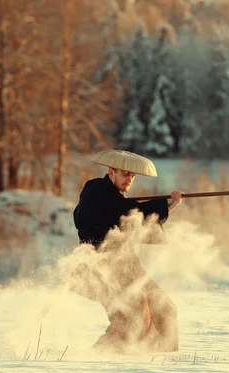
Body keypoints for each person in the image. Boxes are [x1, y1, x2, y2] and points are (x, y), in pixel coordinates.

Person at [71, 149, 184, 354]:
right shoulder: (96, 190)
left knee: (165, 310)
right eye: (125, 174)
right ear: (111, 172)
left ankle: (166, 362)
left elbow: (135, 219)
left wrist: (168, 207)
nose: (129, 179)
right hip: (101, 268)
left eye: (132, 176)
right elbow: (130, 212)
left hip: (127, 264)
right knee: (131, 320)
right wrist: (170, 204)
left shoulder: (114, 199)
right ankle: (94, 359)